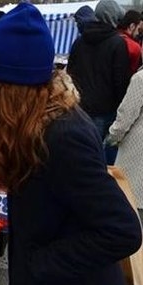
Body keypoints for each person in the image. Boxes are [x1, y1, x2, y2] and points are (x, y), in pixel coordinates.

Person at [0, 3, 142, 285]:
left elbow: (123, 230)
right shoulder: (35, 123)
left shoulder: (62, 137)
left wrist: (40, 264)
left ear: (13, 85)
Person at [67, 0, 130, 165]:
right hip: (105, 110)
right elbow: (120, 81)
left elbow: (70, 74)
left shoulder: (79, 42)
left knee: (79, 154)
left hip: (79, 108)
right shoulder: (117, 43)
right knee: (102, 160)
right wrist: (119, 109)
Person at [106, 63, 143, 215]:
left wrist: (112, 137)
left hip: (136, 153)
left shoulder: (140, 79)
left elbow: (125, 118)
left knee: (129, 202)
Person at [117, 10, 143, 74]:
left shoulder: (111, 37)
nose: (138, 33)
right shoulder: (134, 47)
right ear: (132, 26)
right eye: (138, 29)